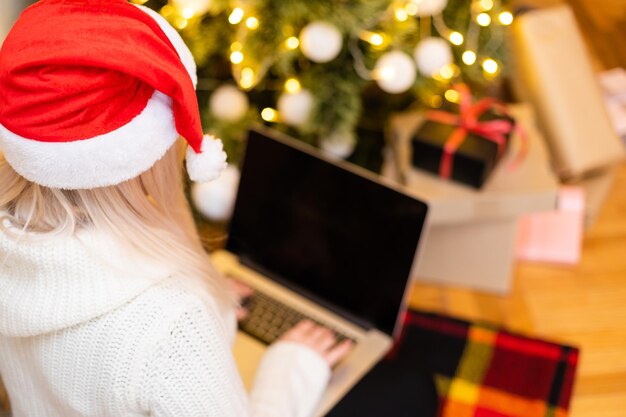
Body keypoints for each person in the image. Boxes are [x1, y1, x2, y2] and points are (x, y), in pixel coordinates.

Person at [0, 1, 352, 416]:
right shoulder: (171, 324)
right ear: (146, 158)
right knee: (406, 387)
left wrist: (215, 304)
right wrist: (292, 369)